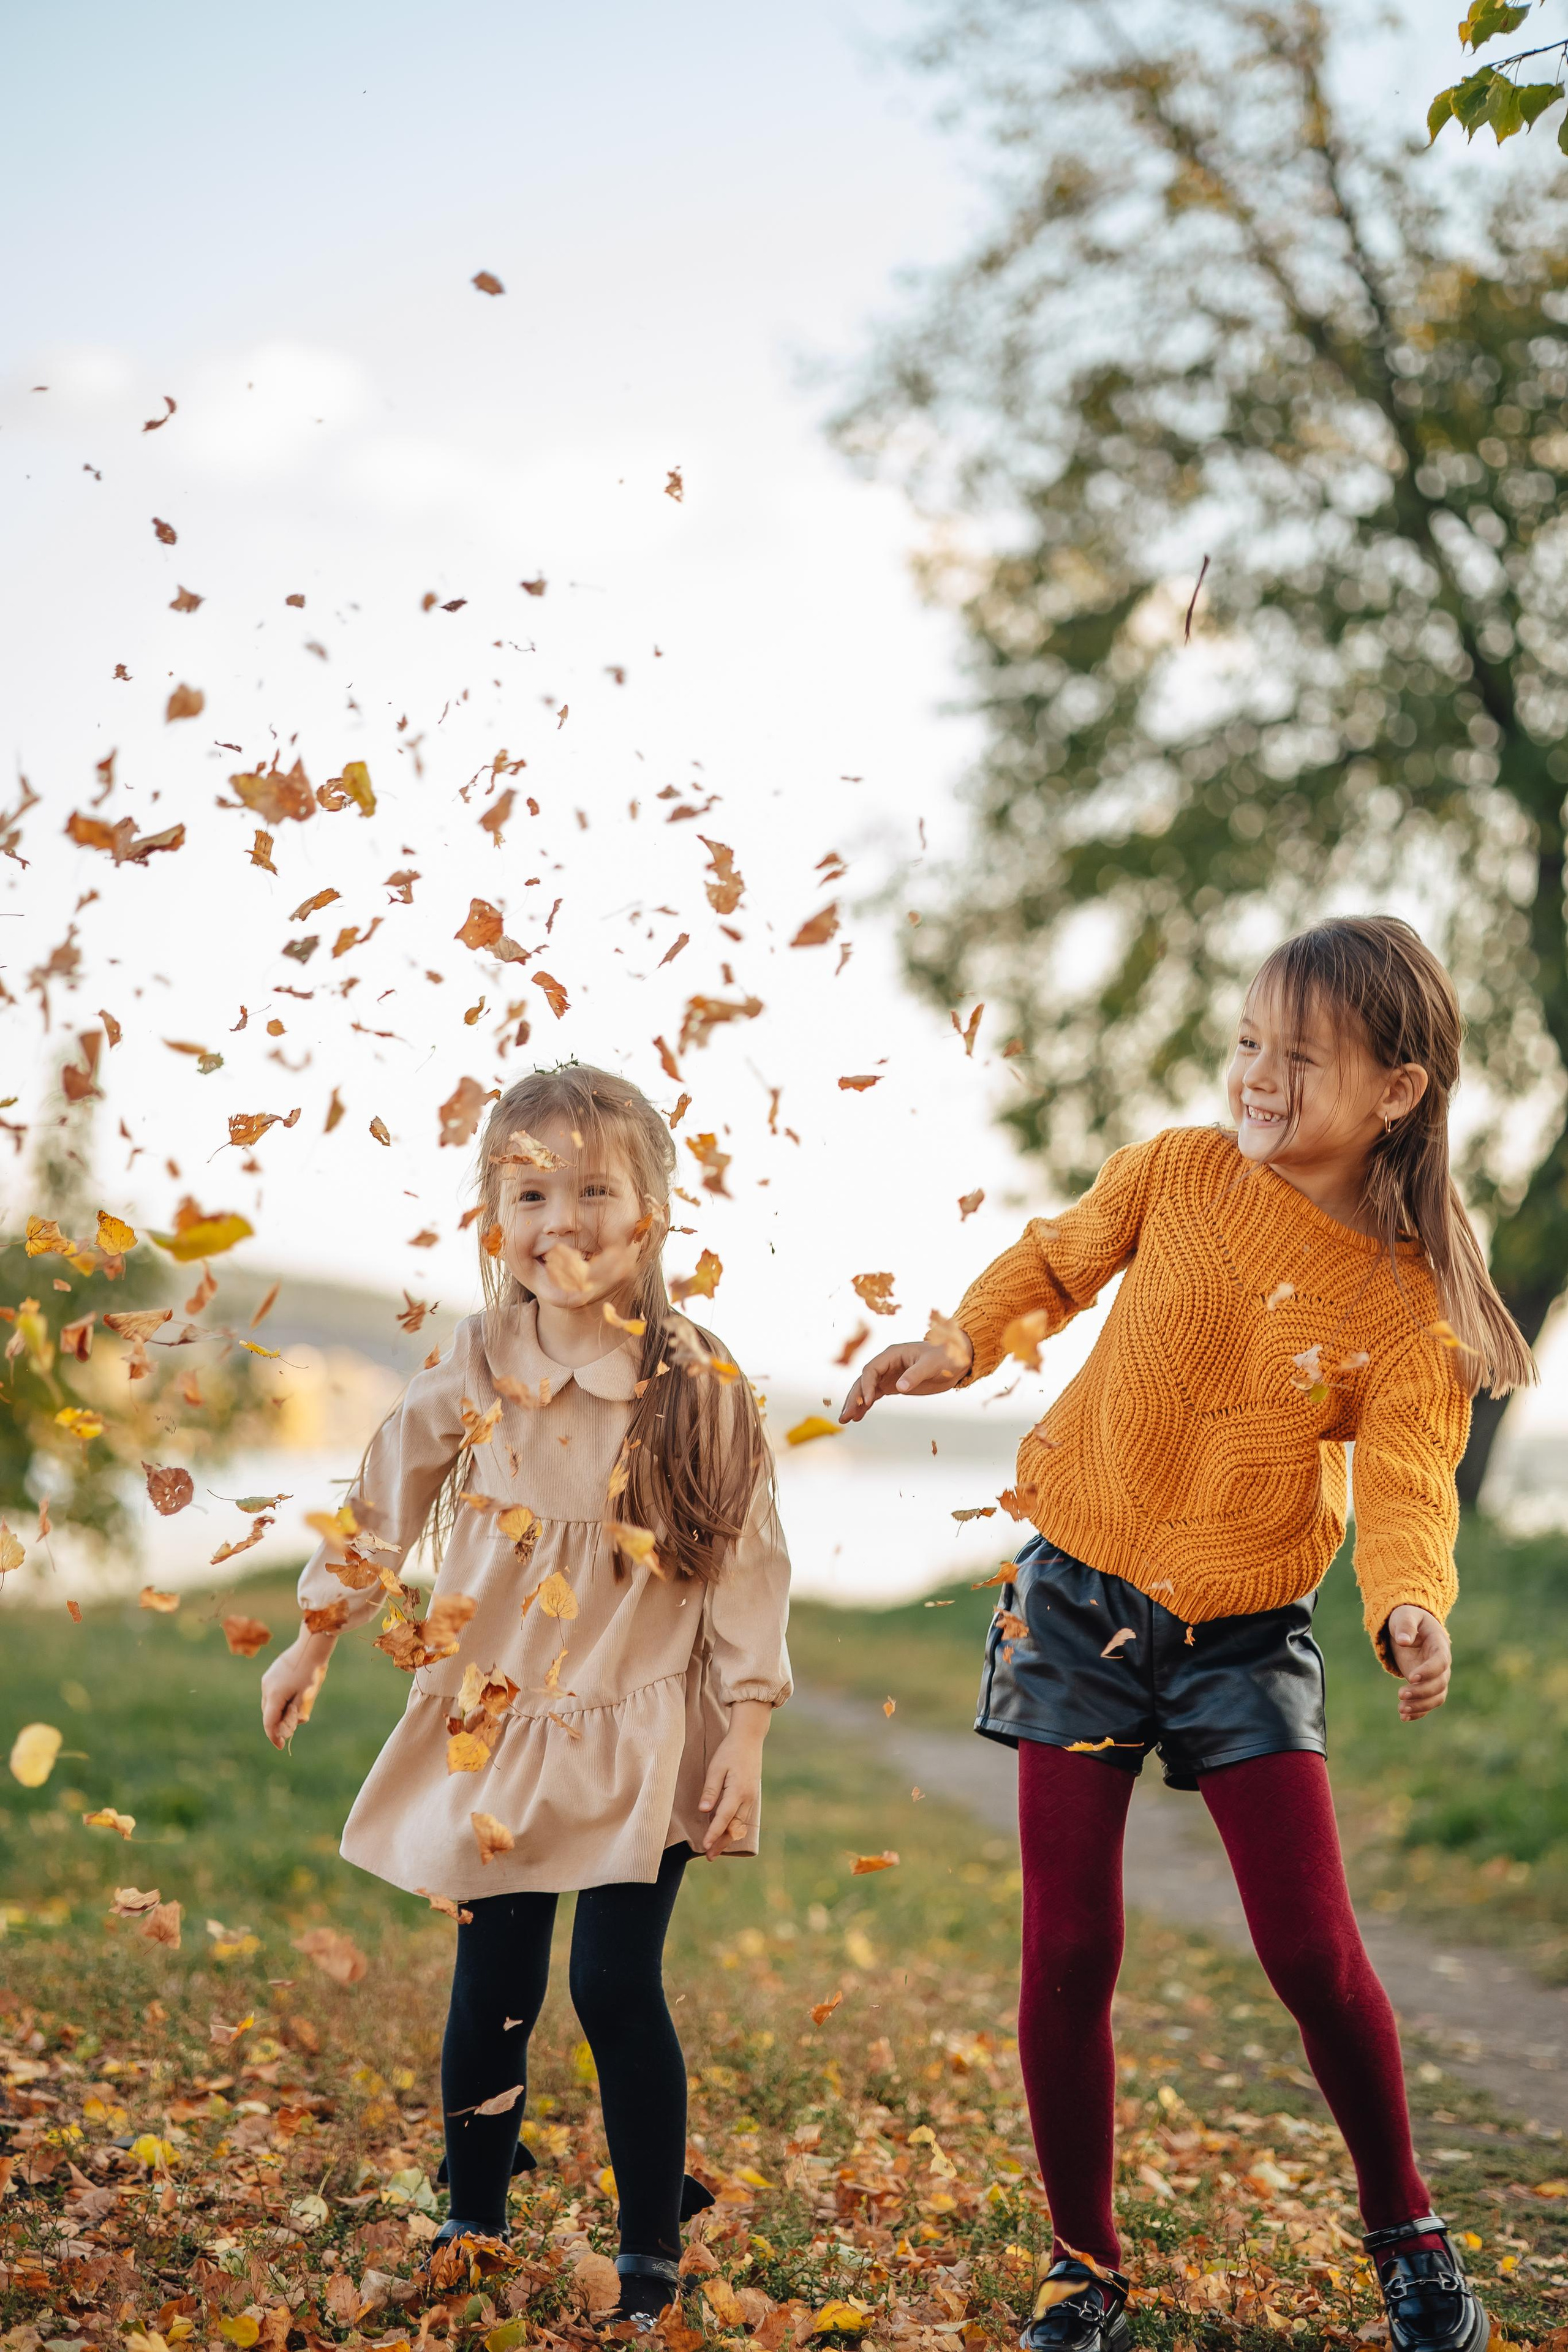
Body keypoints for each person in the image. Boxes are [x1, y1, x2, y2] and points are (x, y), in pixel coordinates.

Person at [840, 917, 1531, 2352]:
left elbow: (1406, 1481)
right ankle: (1081, 2265)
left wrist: (1413, 1602)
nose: (1257, 1077)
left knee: (1310, 1950)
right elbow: (1052, 1262)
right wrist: (960, 1343)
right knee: (1068, 1943)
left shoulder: (1406, 1307)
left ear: (1393, 1091)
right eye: (1246, 1044)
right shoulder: (1176, 1171)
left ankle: (1403, 2226)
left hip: (1240, 1632)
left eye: (1299, 1058)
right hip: (1076, 1597)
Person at [262, 1063, 791, 2328]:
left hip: (640, 1717)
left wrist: (751, 1725)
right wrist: (314, 1638)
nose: (563, 1216)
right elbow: (384, 1492)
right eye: (530, 1189)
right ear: (496, 1214)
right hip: (493, 1719)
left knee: (613, 1982)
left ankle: (651, 2248)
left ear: (652, 1208)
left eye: (595, 1187)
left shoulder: (694, 1378)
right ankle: (473, 2220)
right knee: (491, 1982)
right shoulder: (479, 1357)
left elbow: (747, 1561)